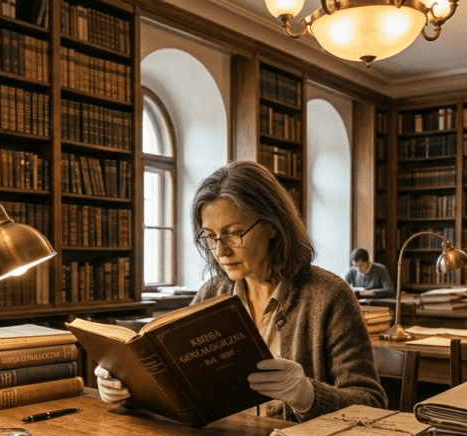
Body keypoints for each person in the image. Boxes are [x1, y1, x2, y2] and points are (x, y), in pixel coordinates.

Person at [95, 161, 387, 422]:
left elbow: (371, 404)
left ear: (273, 226)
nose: (220, 251)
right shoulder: (211, 293)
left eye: (233, 233)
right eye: (210, 237)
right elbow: (177, 390)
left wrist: (308, 395)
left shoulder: (330, 296)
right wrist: (128, 388)